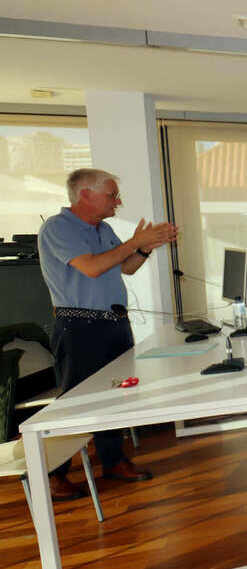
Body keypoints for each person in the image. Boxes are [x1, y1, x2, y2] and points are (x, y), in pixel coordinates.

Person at [36, 168, 178, 499]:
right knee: (75, 402)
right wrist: (135, 241)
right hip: (79, 325)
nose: (118, 201)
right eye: (112, 195)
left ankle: (113, 461)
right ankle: (52, 473)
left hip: (114, 322)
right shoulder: (58, 228)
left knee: (116, 397)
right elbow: (93, 267)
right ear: (85, 194)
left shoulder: (105, 228)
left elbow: (125, 266)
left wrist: (145, 248)